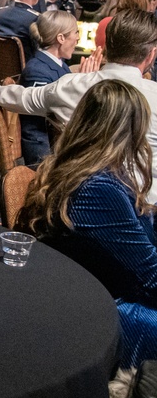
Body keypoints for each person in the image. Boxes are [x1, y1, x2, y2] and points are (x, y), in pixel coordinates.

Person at [20, 80, 157, 368]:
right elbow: (150, 274)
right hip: (105, 312)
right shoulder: (98, 188)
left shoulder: (90, 173)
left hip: (97, 294)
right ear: (127, 132)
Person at [0, 9, 157, 202]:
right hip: (144, 205)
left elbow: (21, 97)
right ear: (151, 55)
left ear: (107, 46)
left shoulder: (71, 86)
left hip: (74, 201)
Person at [18, 11, 76, 166]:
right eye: (76, 33)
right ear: (61, 38)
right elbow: (42, 123)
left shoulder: (60, 65)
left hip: (59, 145)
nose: (77, 38)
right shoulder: (38, 71)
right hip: (45, 153)